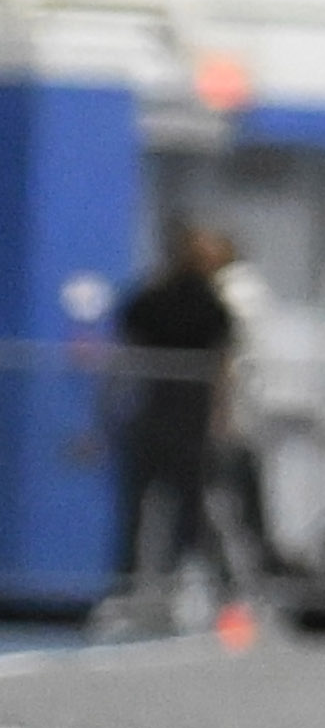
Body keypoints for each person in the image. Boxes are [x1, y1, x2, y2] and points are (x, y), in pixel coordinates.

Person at [103, 223, 240, 631]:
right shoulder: (171, 299)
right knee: (159, 506)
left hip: (174, 418)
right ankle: (137, 587)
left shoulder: (192, 302)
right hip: (168, 416)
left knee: (178, 507)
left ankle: (173, 584)